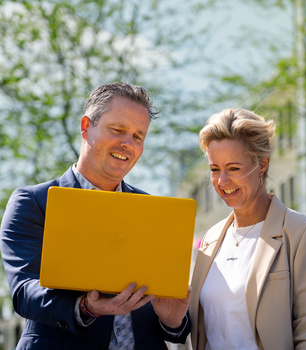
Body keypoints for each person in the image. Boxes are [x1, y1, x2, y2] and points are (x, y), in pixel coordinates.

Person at [0, 82, 191, 350]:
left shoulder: (155, 212)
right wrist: (85, 307)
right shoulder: (33, 202)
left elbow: (171, 322)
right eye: (118, 130)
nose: (128, 143)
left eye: (138, 136)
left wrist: (173, 321)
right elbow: (25, 293)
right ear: (86, 127)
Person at [189, 108, 306, 350]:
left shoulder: (304, 233)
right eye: (215, 169)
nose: (222, 181)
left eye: (234, 168)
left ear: (262, 164)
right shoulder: (210, 239)